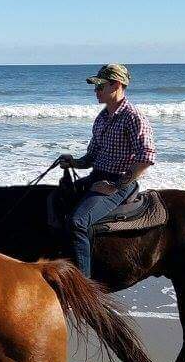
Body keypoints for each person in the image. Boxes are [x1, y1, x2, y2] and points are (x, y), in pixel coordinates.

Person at [58, 63, 155, 278]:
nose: (96, 91)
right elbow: (91, 156)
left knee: (78, 222)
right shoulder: (102, 117)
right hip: (97, 177)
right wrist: (73, 162)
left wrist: (115, 186)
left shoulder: (133, 117)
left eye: (100, 86)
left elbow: (146, 158)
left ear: (116, 85)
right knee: (56, 202)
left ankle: (84, 285)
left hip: (120, 184)